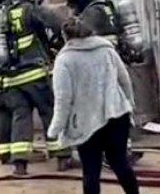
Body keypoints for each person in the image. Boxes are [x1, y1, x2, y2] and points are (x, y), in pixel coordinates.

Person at [0, 0, 75, 175]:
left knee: (20, 116)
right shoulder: (31, 9)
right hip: (33, 76)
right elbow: (60, 24)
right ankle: (62, 157)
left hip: (7, 79)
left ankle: (18, 163)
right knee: (50, 111)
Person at [47, 18, 140, 194]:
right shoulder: (107, 51)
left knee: (91, 171)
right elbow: (124, 80)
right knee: (120, 163)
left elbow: (63, 99)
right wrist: (129, 103)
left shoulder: (64, 60)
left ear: (65, 37)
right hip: (116, 114)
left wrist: (54, 129)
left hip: (86, 121)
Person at [65, 0, 145, 165]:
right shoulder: (106, 6)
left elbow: (82, 39)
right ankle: (123, 149)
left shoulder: (92, 13)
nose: (73, 6)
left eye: (73, 1)